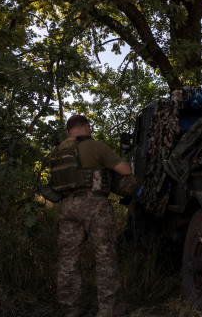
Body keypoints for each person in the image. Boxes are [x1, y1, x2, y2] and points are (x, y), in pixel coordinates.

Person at [48, 115, 134, 317]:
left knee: (68, 259)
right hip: (95, 206)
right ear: (86, 127)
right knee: (105, 256)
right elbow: (125, 170)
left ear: (69, 131)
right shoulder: (95, 146)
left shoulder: (56, 152)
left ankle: (72, 308)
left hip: (67, 207)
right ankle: (108, 309)